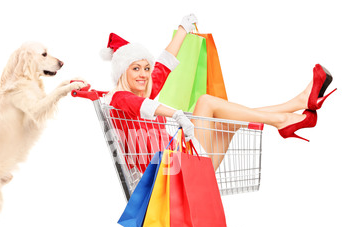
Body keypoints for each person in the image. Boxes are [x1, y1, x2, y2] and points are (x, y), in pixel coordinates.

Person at [101, 14, 336, 171]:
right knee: (205, 102)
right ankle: (284, 117)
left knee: (231, 120)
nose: (143, 74)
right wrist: (177, 115)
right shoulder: (119, 98)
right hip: (169, 175)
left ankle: (295, 104)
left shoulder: (144, 89)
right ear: (123, 72)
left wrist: (183, 29)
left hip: (181, 166)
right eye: (135, 69)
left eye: (145, 68)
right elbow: (144, 107)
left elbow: (165, 63)